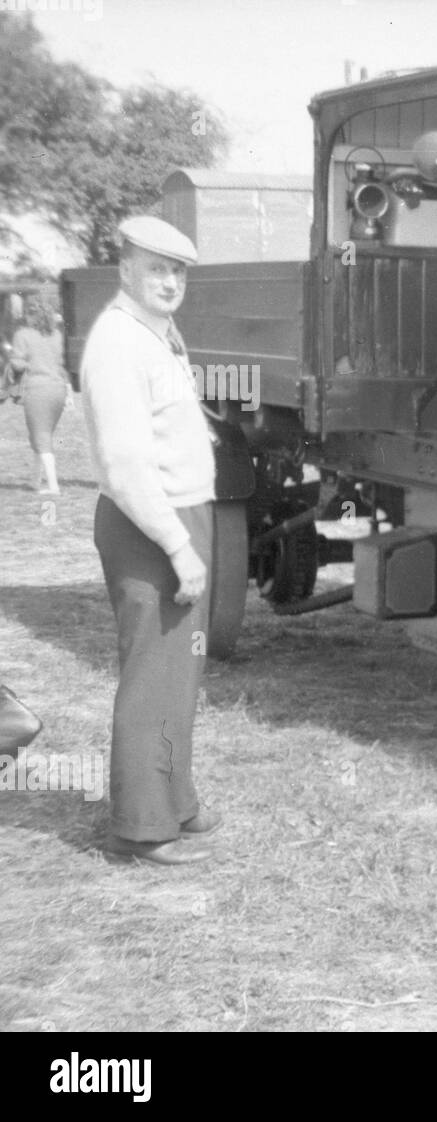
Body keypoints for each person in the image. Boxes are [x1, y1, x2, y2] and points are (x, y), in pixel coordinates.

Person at [81, 215, 221, 866]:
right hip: (151, 525)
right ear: (125, 271)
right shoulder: (117, 340)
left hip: (179, 515)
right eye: (156, 268)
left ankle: (176, 801)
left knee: (178, 669)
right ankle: (142, 829)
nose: (169, 282)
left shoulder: (154, 332)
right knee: (153, 674)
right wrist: (178, 546)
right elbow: (127, 469)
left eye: (178, 271)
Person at [8, 293, 71, 494]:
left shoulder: (22, 335)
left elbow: (17, 364)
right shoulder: (57, 335)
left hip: (37, 390)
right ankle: (36, 479)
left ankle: (52, 486)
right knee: (42, 435)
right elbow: (61, 363)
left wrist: (13, 361)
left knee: (41, 438)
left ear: (29, 314)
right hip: (58, 389)